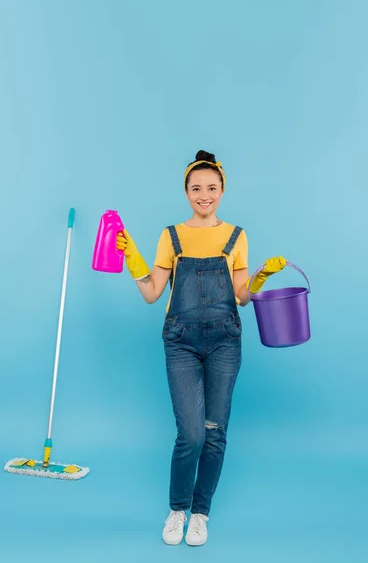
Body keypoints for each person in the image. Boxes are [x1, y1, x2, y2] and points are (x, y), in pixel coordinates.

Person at [117, 150, 286, 547]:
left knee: (214, 433)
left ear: (222, 190)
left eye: (211, 187)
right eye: (196, 188)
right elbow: (152, 293)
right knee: (190, 434)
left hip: (225, 340)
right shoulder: (171, 236)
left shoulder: (235, 236)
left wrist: (261, 275)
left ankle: (200, 514)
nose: (204, 194)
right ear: (186, 192)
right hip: (181, 342)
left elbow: (243, 297)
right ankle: (177, 509)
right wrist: (132, 257)